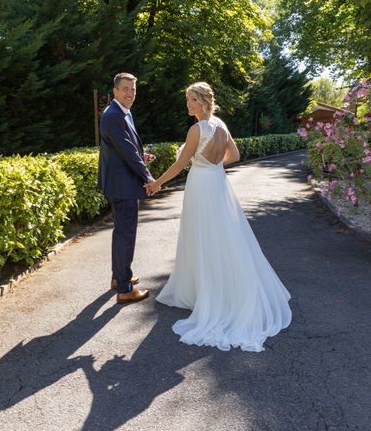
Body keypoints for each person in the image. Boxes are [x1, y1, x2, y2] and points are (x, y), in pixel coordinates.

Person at [145, 82, 292, 351]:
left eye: (191, 100)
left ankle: (208, 297)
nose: (187, 104)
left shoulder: (197, 129)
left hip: (201, 185)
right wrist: (211, 166)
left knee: (201, 237)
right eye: (187, 99)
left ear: (203, 101)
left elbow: (179, 165)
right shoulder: (221, 125)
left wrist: (157, 183)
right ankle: (219, 291)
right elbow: (234, 156)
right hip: (217, 183)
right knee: (223, 236)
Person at [98, 72, 155, 304]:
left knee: (121, 232)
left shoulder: (121, 112)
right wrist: (149, 178)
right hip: (123, 185)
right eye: (125, 89)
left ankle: (119, 276)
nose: (130, 94)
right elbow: (128, 152)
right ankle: (124, 288)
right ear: (115, 91)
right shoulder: (113, 115)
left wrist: (142, 156)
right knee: (125, 234)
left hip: (121, 182)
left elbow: (126, 148)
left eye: (133, 89)